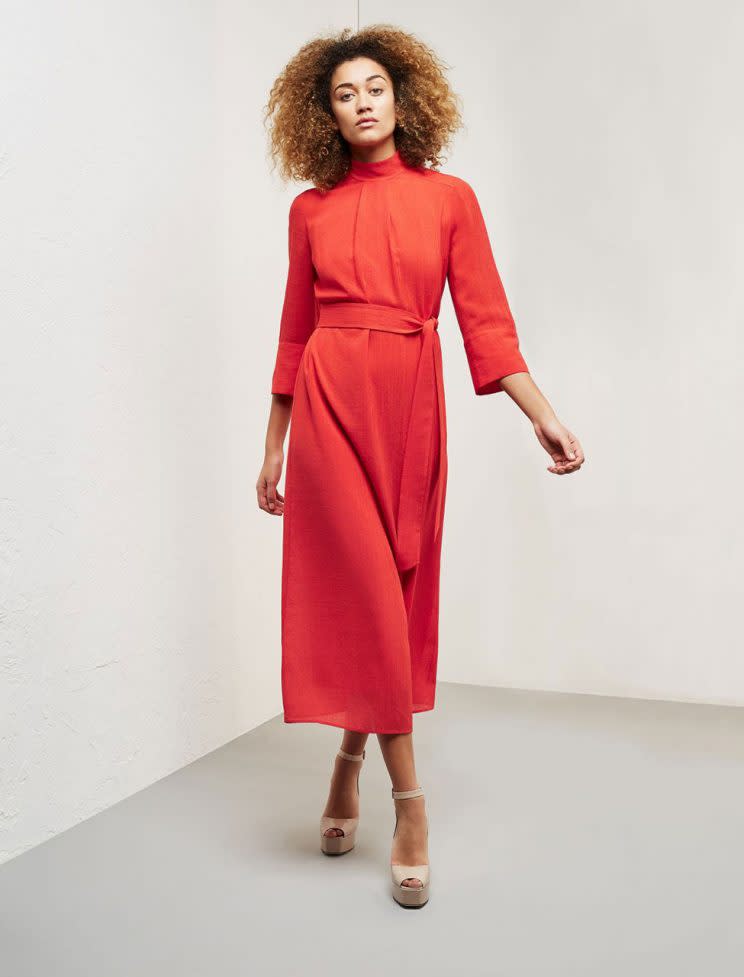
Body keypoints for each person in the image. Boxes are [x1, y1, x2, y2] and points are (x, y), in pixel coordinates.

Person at [258, 25, 585, 908]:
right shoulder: (310, 211)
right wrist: (274, 443)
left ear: (404, 99)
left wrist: (542, 417)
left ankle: (346, 758)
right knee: (364, 590)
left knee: (395, 596)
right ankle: (410, 806)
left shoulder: (449, 199)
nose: (361, 103)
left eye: (374, 88)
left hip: (409, 406)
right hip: (328, 404)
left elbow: (485, 320)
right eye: (343, 94)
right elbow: (294, 332)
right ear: (323, 115)